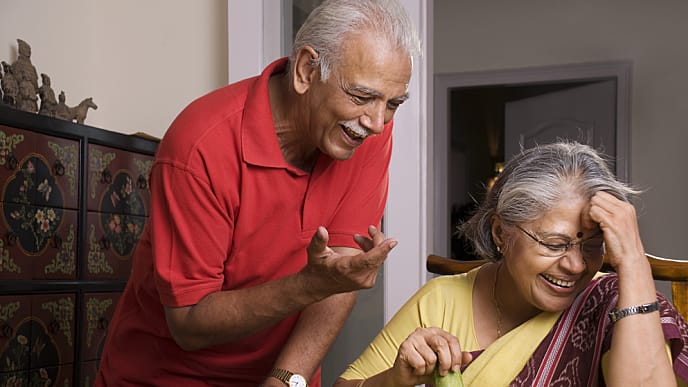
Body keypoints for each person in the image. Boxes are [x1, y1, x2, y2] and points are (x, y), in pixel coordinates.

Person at [96, 0, 420, 386]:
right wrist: (311, 284)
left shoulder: (363, 133)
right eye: (361, 95)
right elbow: (189, 323)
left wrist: (287, 379)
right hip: (166, 377)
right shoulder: (199, 145)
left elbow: (340, 272)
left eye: (393, 103)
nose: (378, 122)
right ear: (305, 70)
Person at [336, 141, 688, 386]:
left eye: (594, 246)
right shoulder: (441, 300)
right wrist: (394, 380)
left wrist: (632, 262)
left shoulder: (613, 301)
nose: (577, 265)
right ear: (501, 233)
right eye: (554, 244)